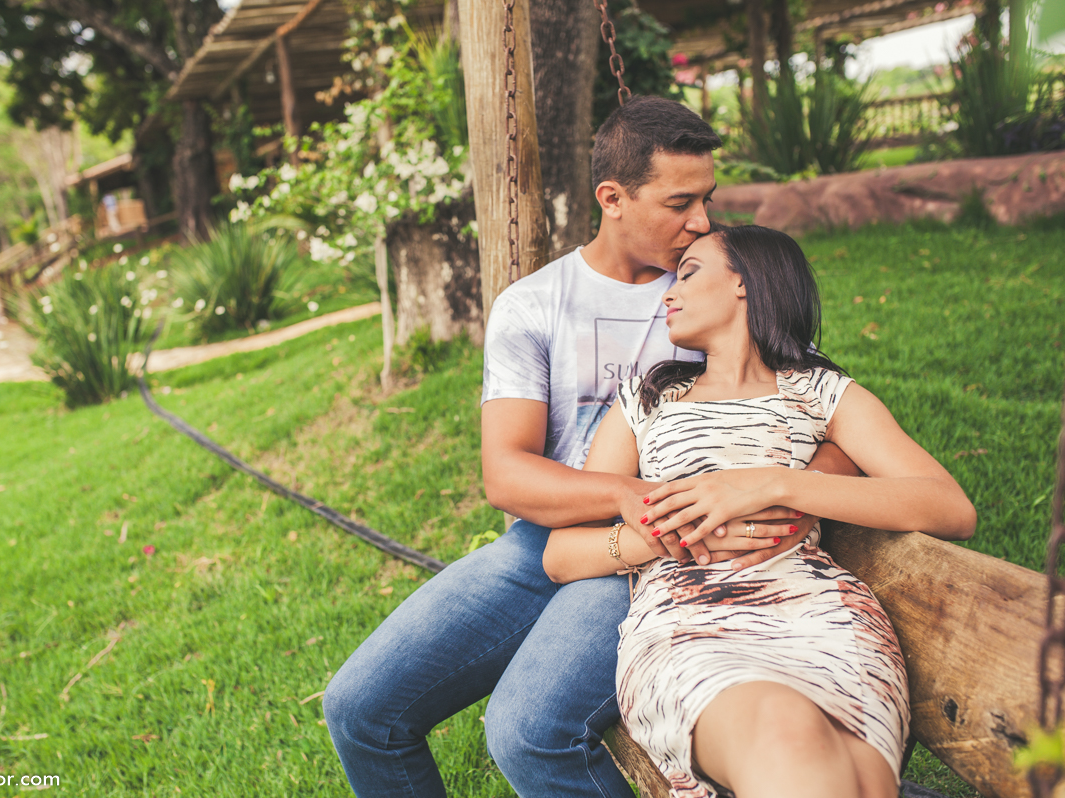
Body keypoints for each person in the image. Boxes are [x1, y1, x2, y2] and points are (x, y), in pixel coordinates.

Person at [322, 98, 858, 798]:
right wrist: (628, 495)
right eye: (680, 203)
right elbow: (507, 474)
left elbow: (828, 411)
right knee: (361, 709)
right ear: (613, 199)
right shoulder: (535, 305)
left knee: (527, 731)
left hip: (670, 553)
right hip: (546, 542)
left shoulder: (718, 283)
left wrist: (793, 495)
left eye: (707, 198)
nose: (701, 221)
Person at [543, 224, 976, 798]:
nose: (669, 293)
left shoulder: (821, 392)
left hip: (825, 621)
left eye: (688, 274)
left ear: (744, 282)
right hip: (690, 624)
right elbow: (560, 554)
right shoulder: (647, 401)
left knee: (861, 778)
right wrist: (669, 535)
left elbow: (950, 507)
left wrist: (776, 485)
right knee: (783, 731)